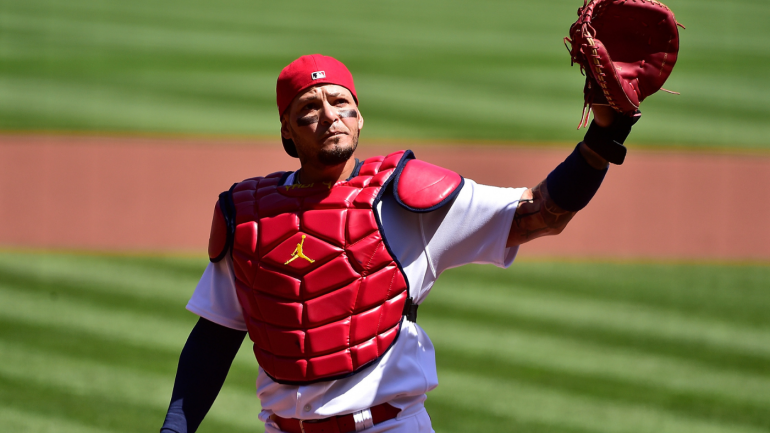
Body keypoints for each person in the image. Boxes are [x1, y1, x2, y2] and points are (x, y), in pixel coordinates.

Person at [160, 54, 637, 433]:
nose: (329, 116)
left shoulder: (407, 195)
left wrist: (605, 135)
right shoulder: (250, 216)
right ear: (286, 129)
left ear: (359, 117)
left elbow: (541, 214)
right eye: (309, 107)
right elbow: (215, 337)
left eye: (340, 102)